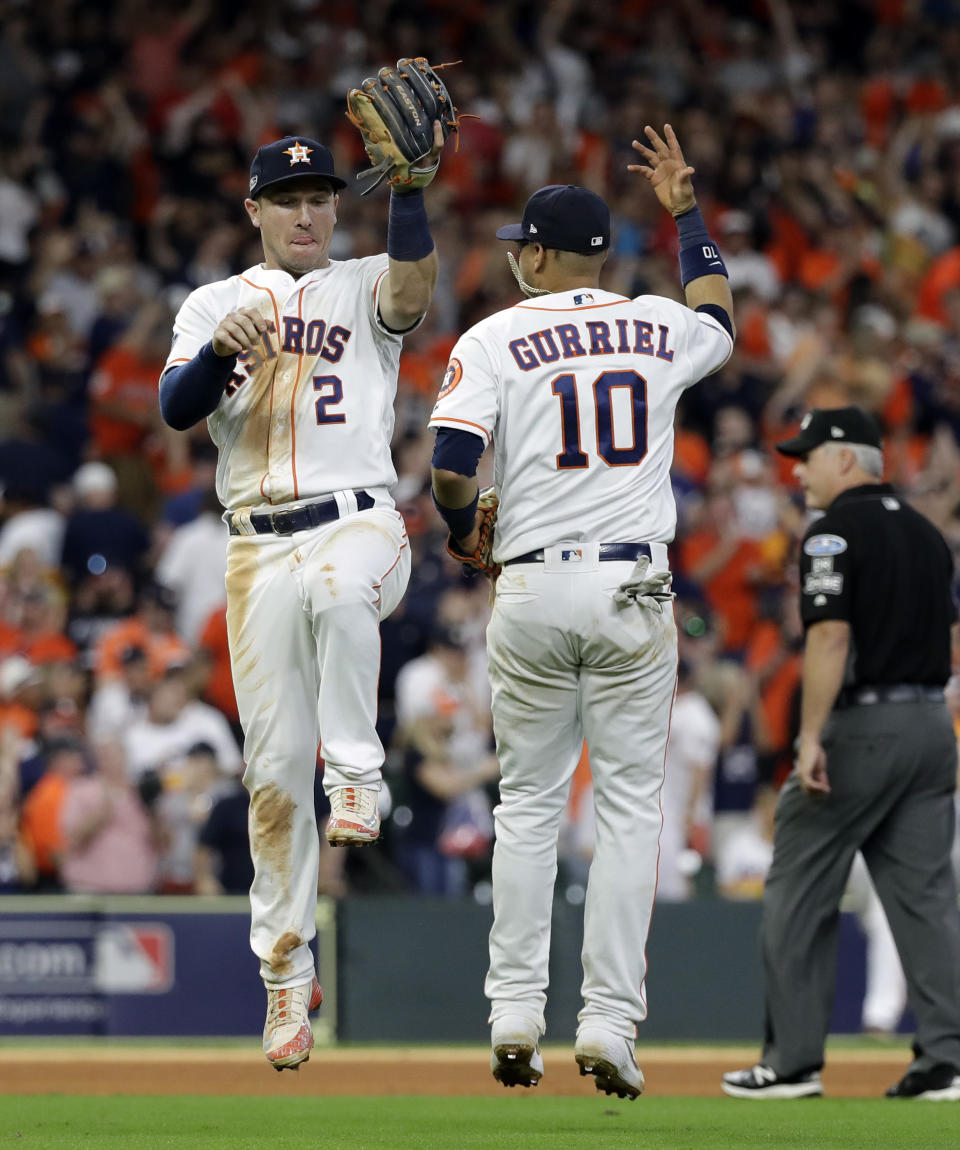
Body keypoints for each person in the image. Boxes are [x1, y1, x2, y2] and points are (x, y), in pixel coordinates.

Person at [429, 125, 735, 1097]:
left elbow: (448, 468)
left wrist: (461, 528)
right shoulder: (655, 322)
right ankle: (608, 1022)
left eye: (525, 244)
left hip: (529, 581)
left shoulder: (493, 336)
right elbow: (719, 316)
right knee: (631, 809)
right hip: (633, 586)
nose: (517, 256)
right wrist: (687, 214)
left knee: (526, 806)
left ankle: (514, 1009)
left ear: (544, 254)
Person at [158, 122, 446, 1070]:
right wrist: (215, 358)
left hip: (361, 522)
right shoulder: (212, 302)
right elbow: (176, 408)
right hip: (255, 549)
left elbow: (412, 289)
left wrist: (408, 193)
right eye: (288, 198)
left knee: (334, 587)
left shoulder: (361, 281)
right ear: (255, 212)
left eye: (321, 195)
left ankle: (359, 773)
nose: (308, 211)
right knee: (273, 779)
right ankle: (286, 985)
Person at [723, 406, 960, 1101]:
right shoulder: (927, 533)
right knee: (926, 899)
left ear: (848, 460)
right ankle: (947, 1058)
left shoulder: (832, 532)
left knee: (797, 885)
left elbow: (827, 638)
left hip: (864, 728)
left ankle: (793, 1062)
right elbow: (945, 636)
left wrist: (808, 737)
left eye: (810, 456)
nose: (798, 469)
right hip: (929, 725)